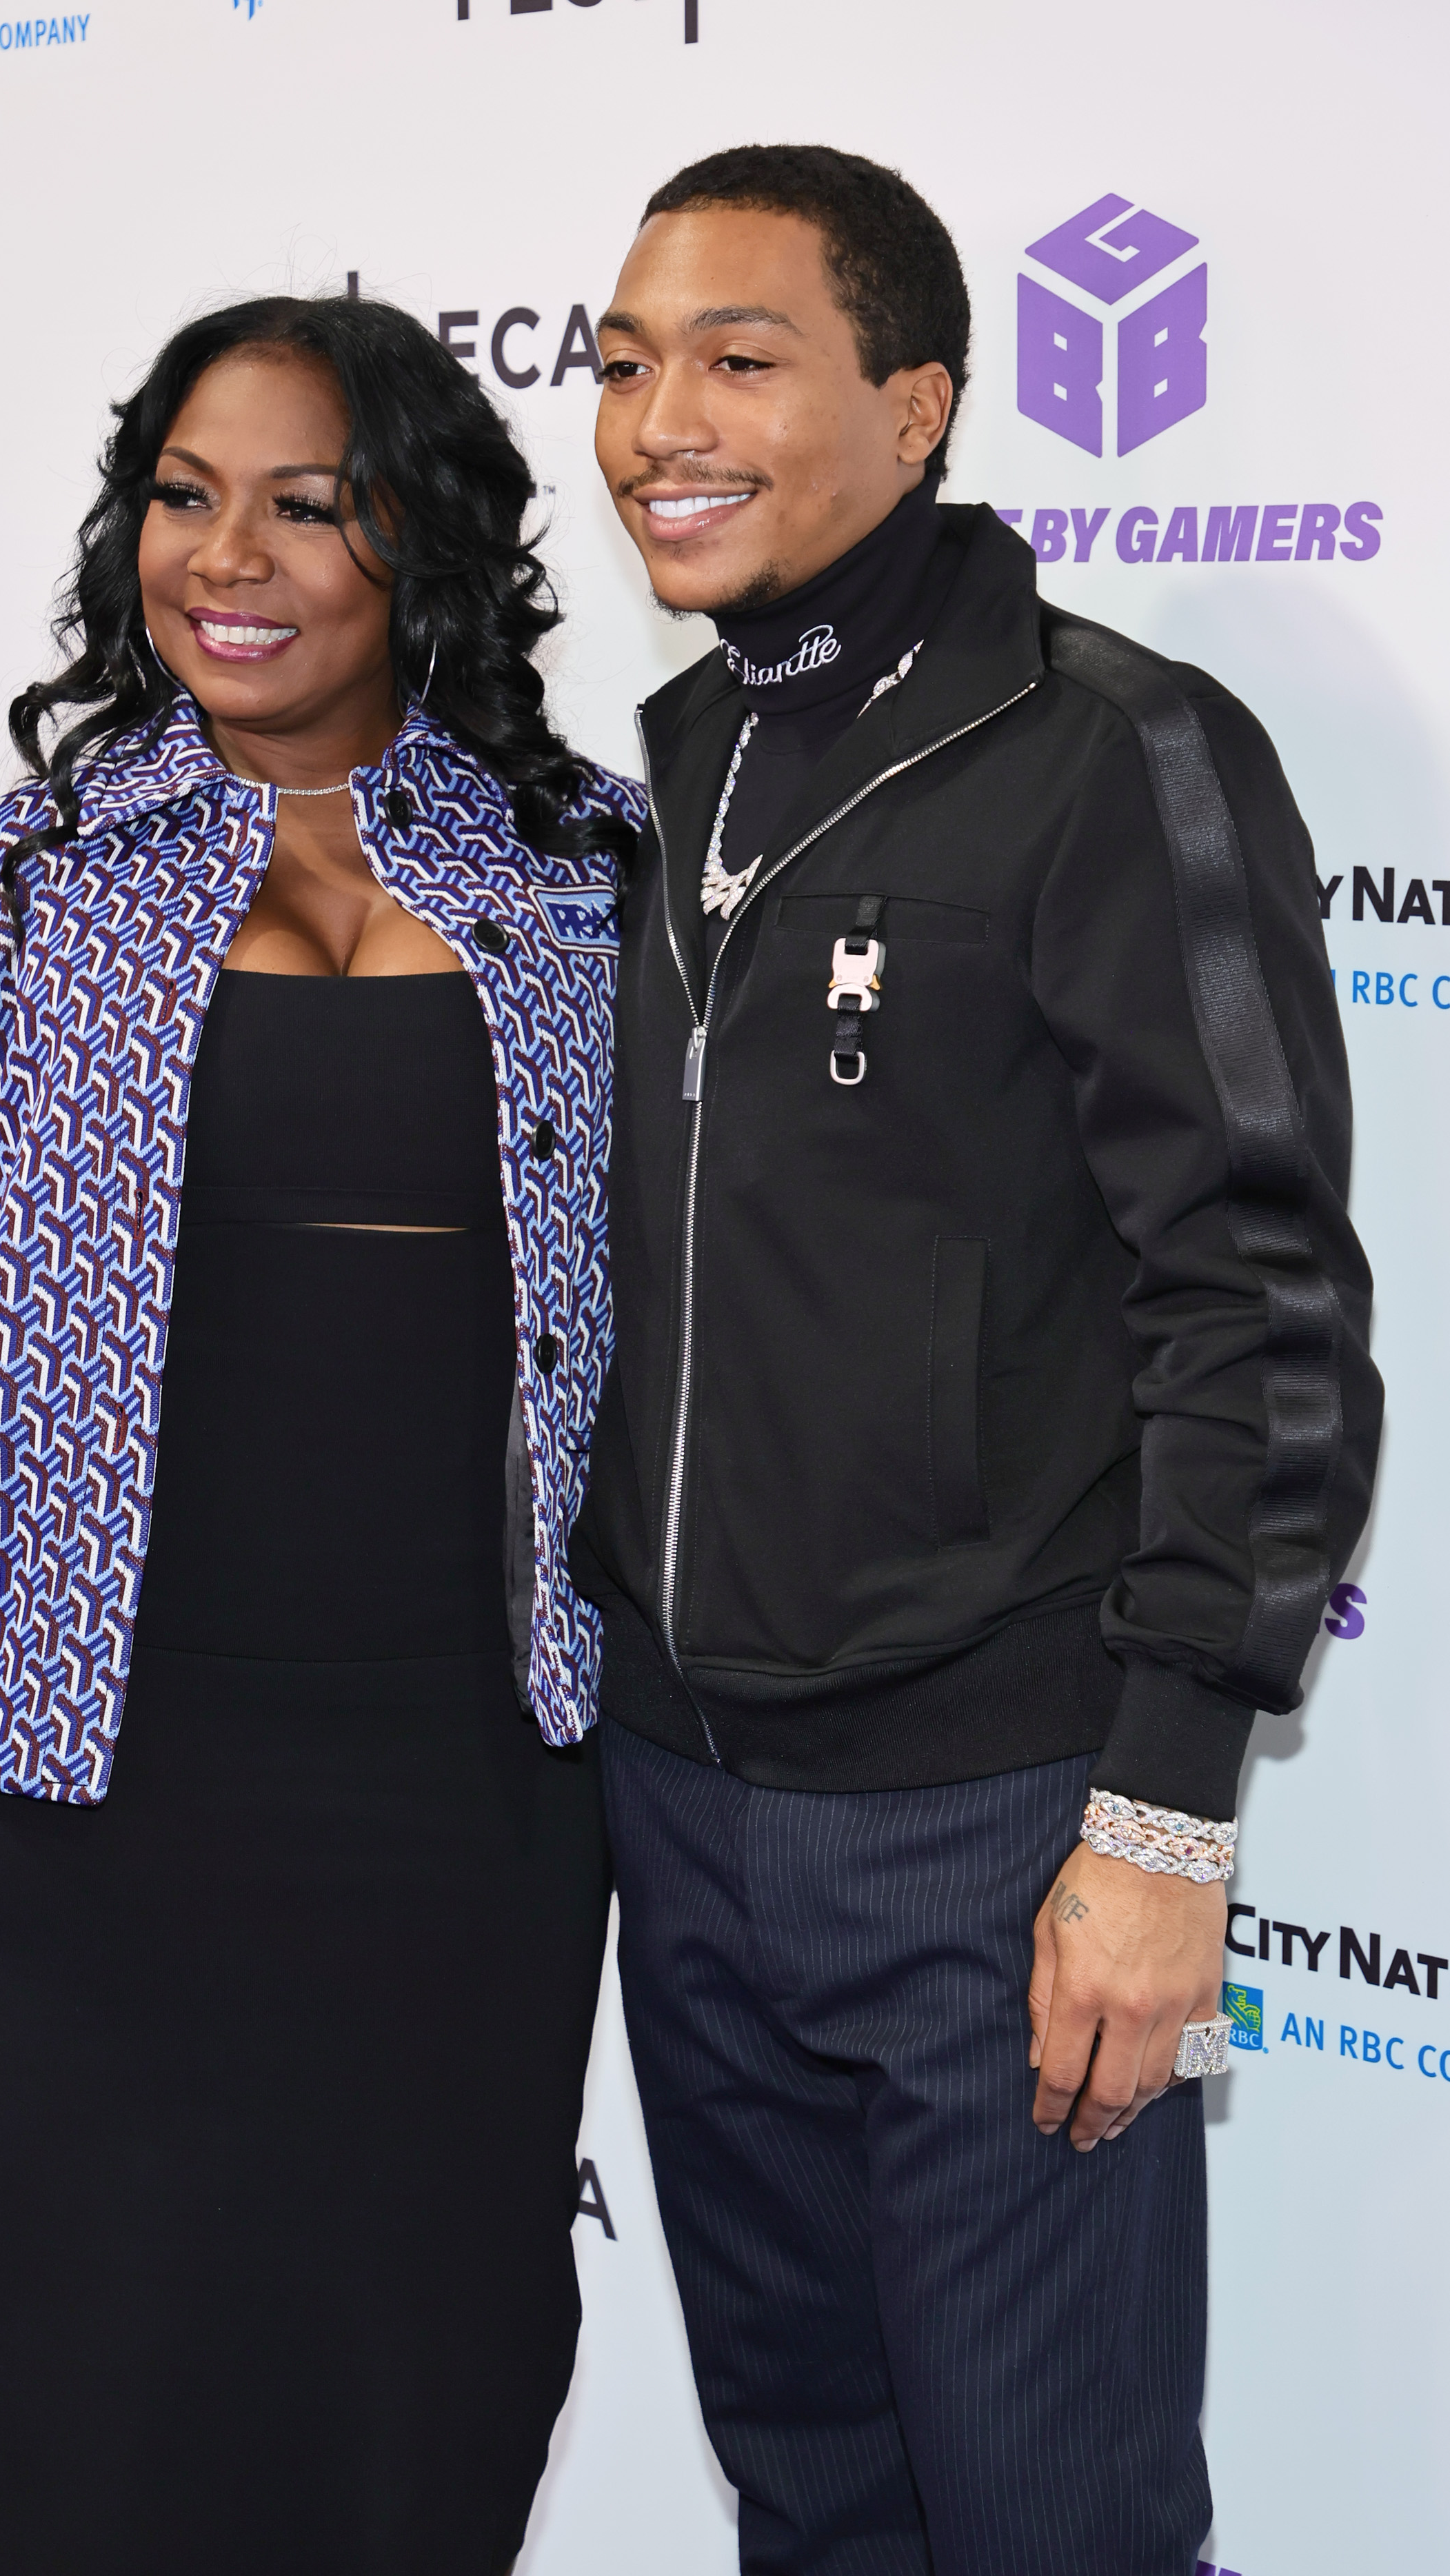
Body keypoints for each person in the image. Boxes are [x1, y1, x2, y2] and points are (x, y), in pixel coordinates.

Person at [0, 292, 641, 2576]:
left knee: (434, 2396)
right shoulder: (16, 882)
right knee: (101, 2404)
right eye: (178, 494)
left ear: (418, 548)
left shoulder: (590, 875)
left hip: (476, 1796)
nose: (219, 555)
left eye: (302, 503)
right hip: (78, 1806)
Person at [571, 145, 1380, 2574]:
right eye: (621, 362)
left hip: (993, 1833)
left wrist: (1156, 1818)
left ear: (913, 404)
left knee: (1052, 2521)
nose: (650, 421)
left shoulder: (1108, 748)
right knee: (811, 2496)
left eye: (737, 358)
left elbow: (1254, 1302)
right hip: (680, 1810)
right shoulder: (681, 760)